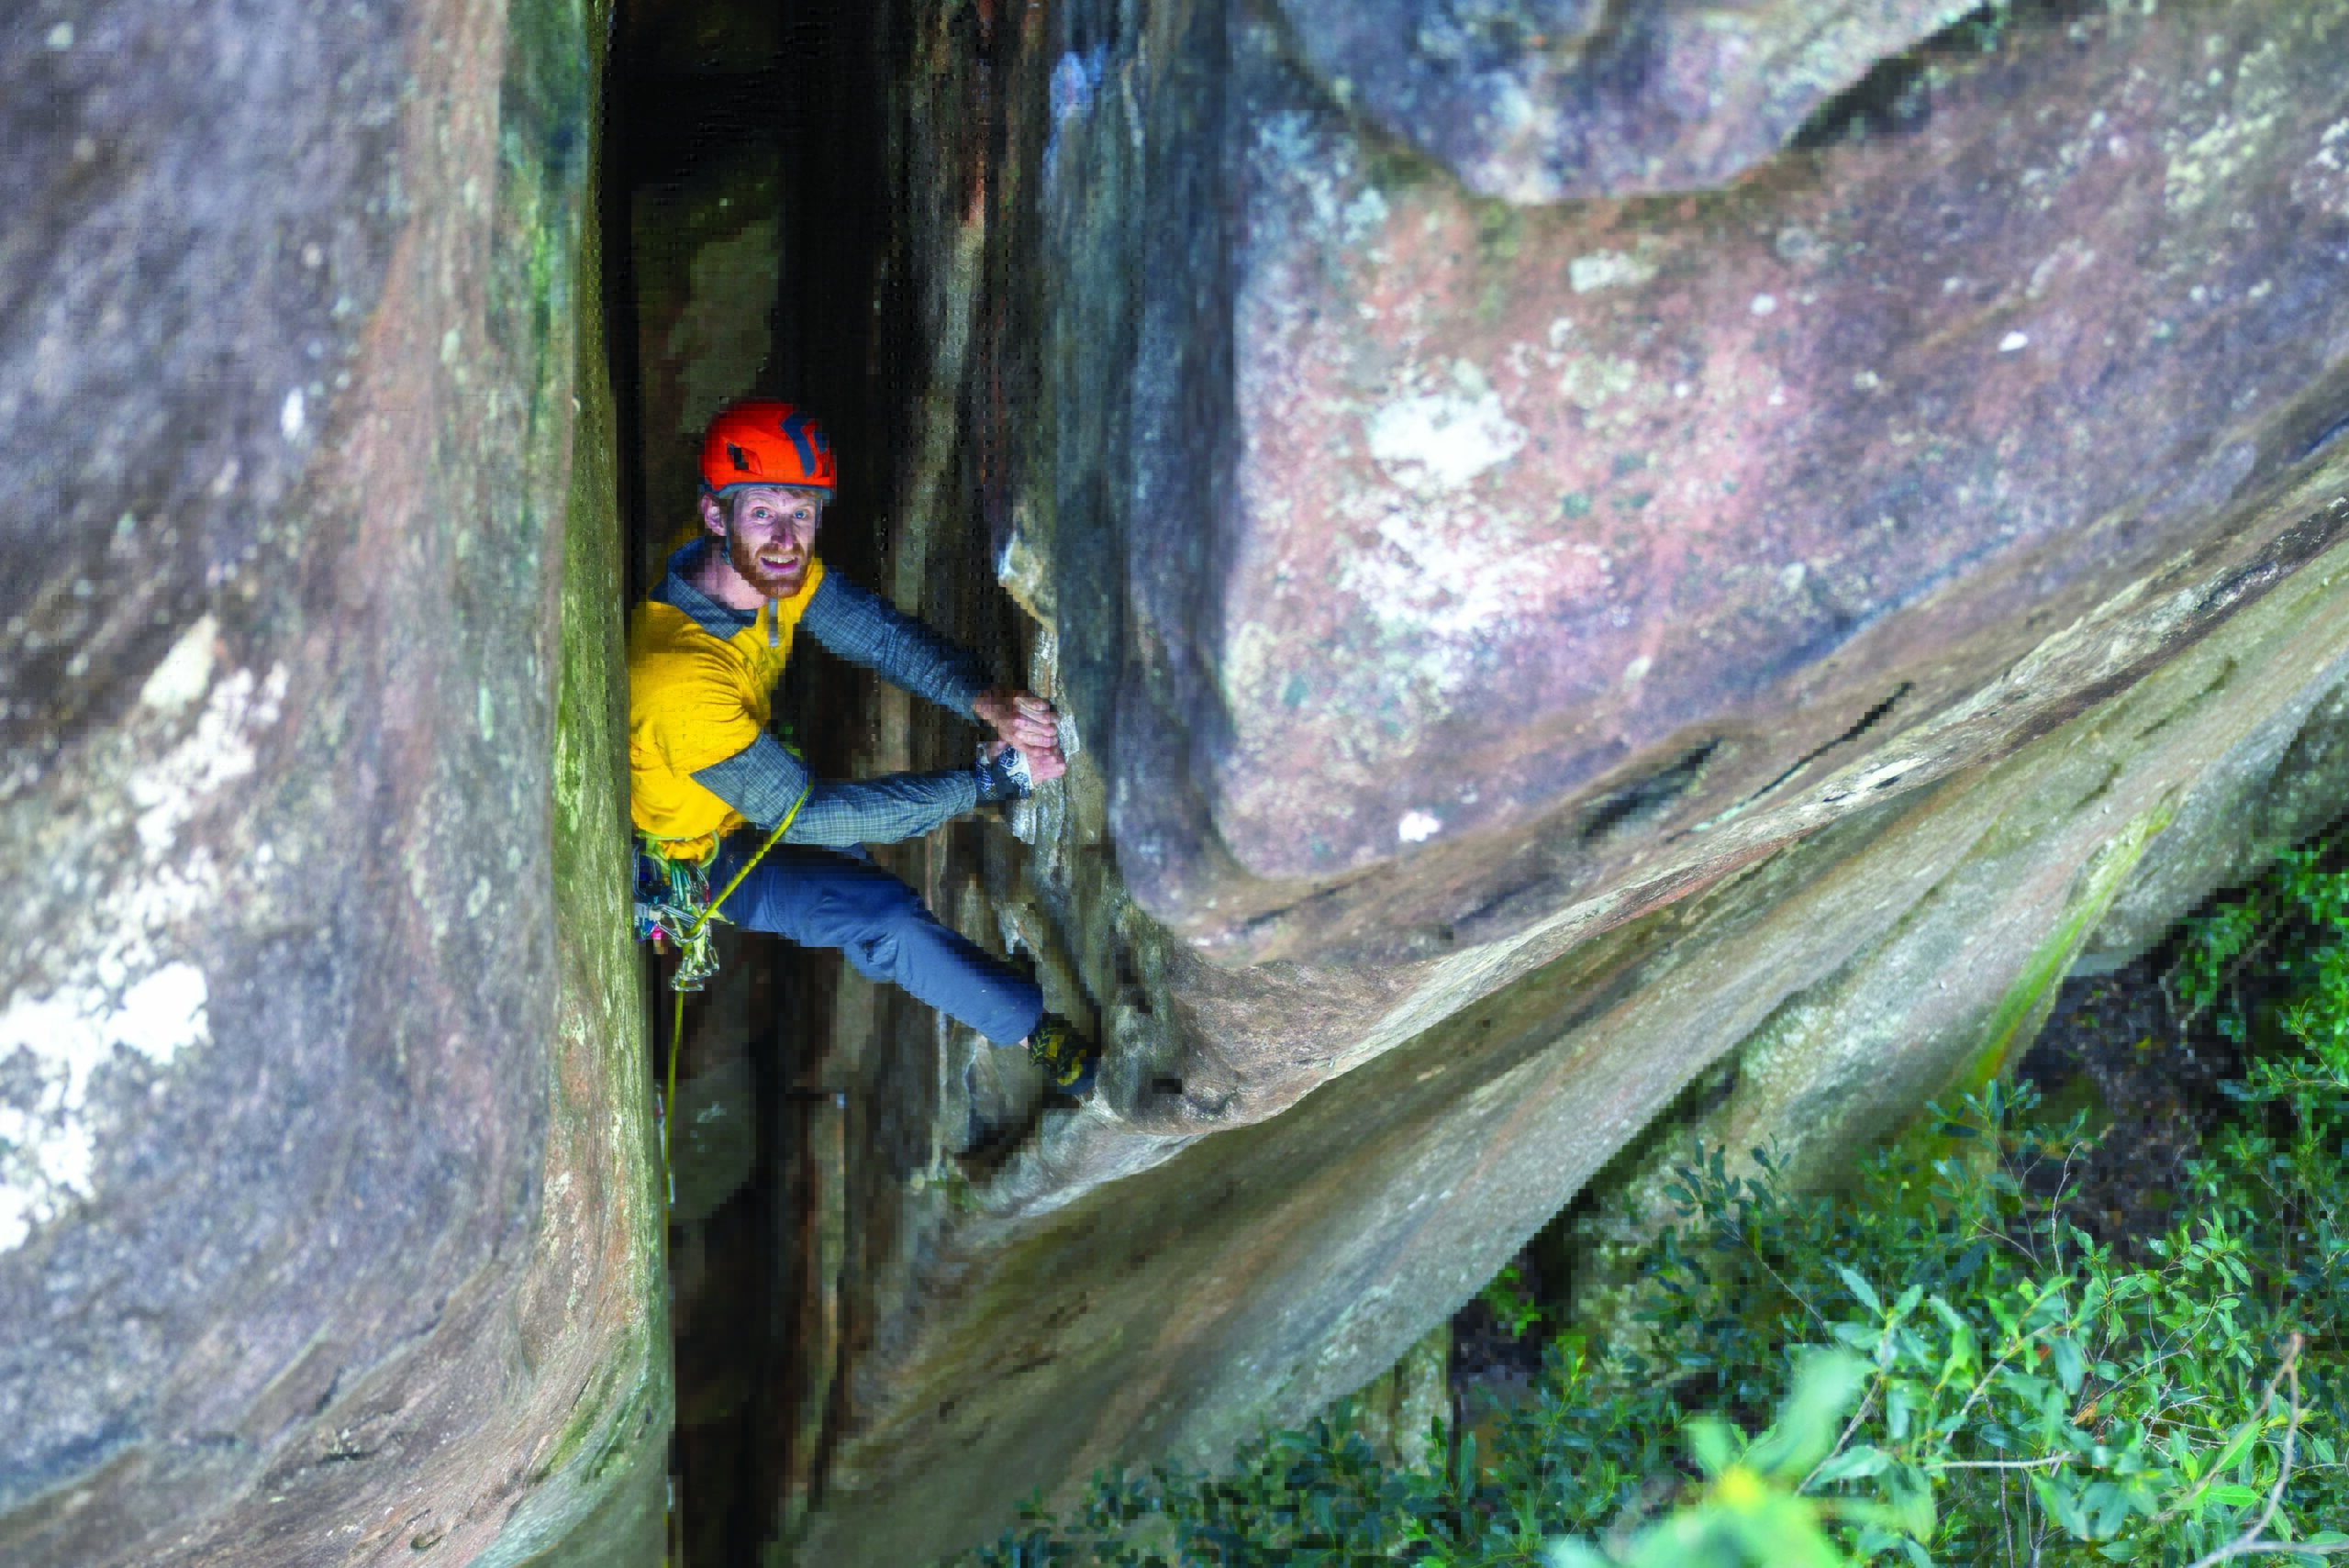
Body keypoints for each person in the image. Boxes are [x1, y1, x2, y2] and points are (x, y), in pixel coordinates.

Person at [627, 398, 1100, 1096]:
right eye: (764, 513)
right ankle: (1033, 1028)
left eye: (804, 513)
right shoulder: (678, 677)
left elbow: (874, 636)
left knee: (877, 906)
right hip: (698, 855)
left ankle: (1000, 1004)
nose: (788, 537)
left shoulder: (760, 569)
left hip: (743, 780)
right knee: (881, 914)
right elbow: (808, 815)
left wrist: (984, 696)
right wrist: (991, 782)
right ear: (715, 516)